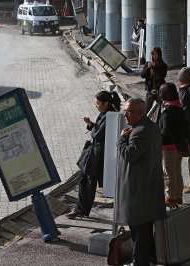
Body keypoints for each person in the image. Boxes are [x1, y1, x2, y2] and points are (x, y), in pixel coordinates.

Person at [117, 97, 167, 265]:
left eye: (129, 112)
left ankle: (141, 262)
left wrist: (121, 139)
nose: (125, 115)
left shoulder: (139, 131)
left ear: (141, 112)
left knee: (139, 231)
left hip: (139, 190)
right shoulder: (151, 127)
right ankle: (150, 259)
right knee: (145, 229)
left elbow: (130, 154)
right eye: (124, 111)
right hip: (148, 187)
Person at [66, 90, 121, 219]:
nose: (96, 106)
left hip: (98, 156)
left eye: (97, 103)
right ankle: (80, 209)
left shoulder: (110, 116)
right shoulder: (104, 114)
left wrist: (93, 129)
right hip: (95, 153)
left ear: (105, 103)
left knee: (89, 182)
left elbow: (98, 135)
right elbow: (97, 130)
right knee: (83, 180)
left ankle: (81, 209)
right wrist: (91, 124)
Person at [158, 82, 187, 207]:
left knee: (168, 174)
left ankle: (170, 197)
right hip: (179, 146)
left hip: (168, 147)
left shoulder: (167, 112)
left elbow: (166, 132)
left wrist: (156, 138)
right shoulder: (179, 108)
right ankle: (178, 196)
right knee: (176, 172)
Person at [141, 47, 168, 114]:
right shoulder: (148, 64)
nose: (154, 56)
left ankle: (158, 123)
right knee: (147, 110)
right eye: (153, 54)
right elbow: (142, 75)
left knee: (159, 111)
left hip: (159, 91)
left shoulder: (163, 65)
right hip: (150, 91)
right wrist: (148, 68)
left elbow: (161, 77)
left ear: (159, 55)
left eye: (156, 54)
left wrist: (154, 69)